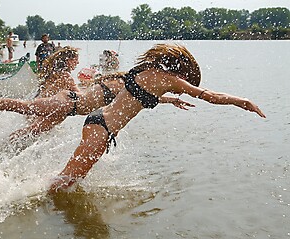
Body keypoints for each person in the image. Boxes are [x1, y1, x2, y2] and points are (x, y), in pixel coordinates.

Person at [47, 43, 266, 194]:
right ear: (183, 74)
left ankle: (45, 200)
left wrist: (169, 101)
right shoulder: (171, 80)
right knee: (66, 181)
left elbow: (135, 96)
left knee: (71, 180)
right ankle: (33, 197)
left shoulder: (149, 70)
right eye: (187, 84)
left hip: (100, 124)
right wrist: (243, 101)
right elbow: (210, 96)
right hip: (101, 128)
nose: (183, 91)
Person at [0, 72, 194, 137]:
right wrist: (168, 98)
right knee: (24, 106)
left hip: (69, 108)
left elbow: (141, 96)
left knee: (32, 132)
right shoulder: (124, 85)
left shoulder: (122, 85)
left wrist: (170, 99)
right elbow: (141, 95)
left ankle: (7, 144)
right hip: (67, 104)